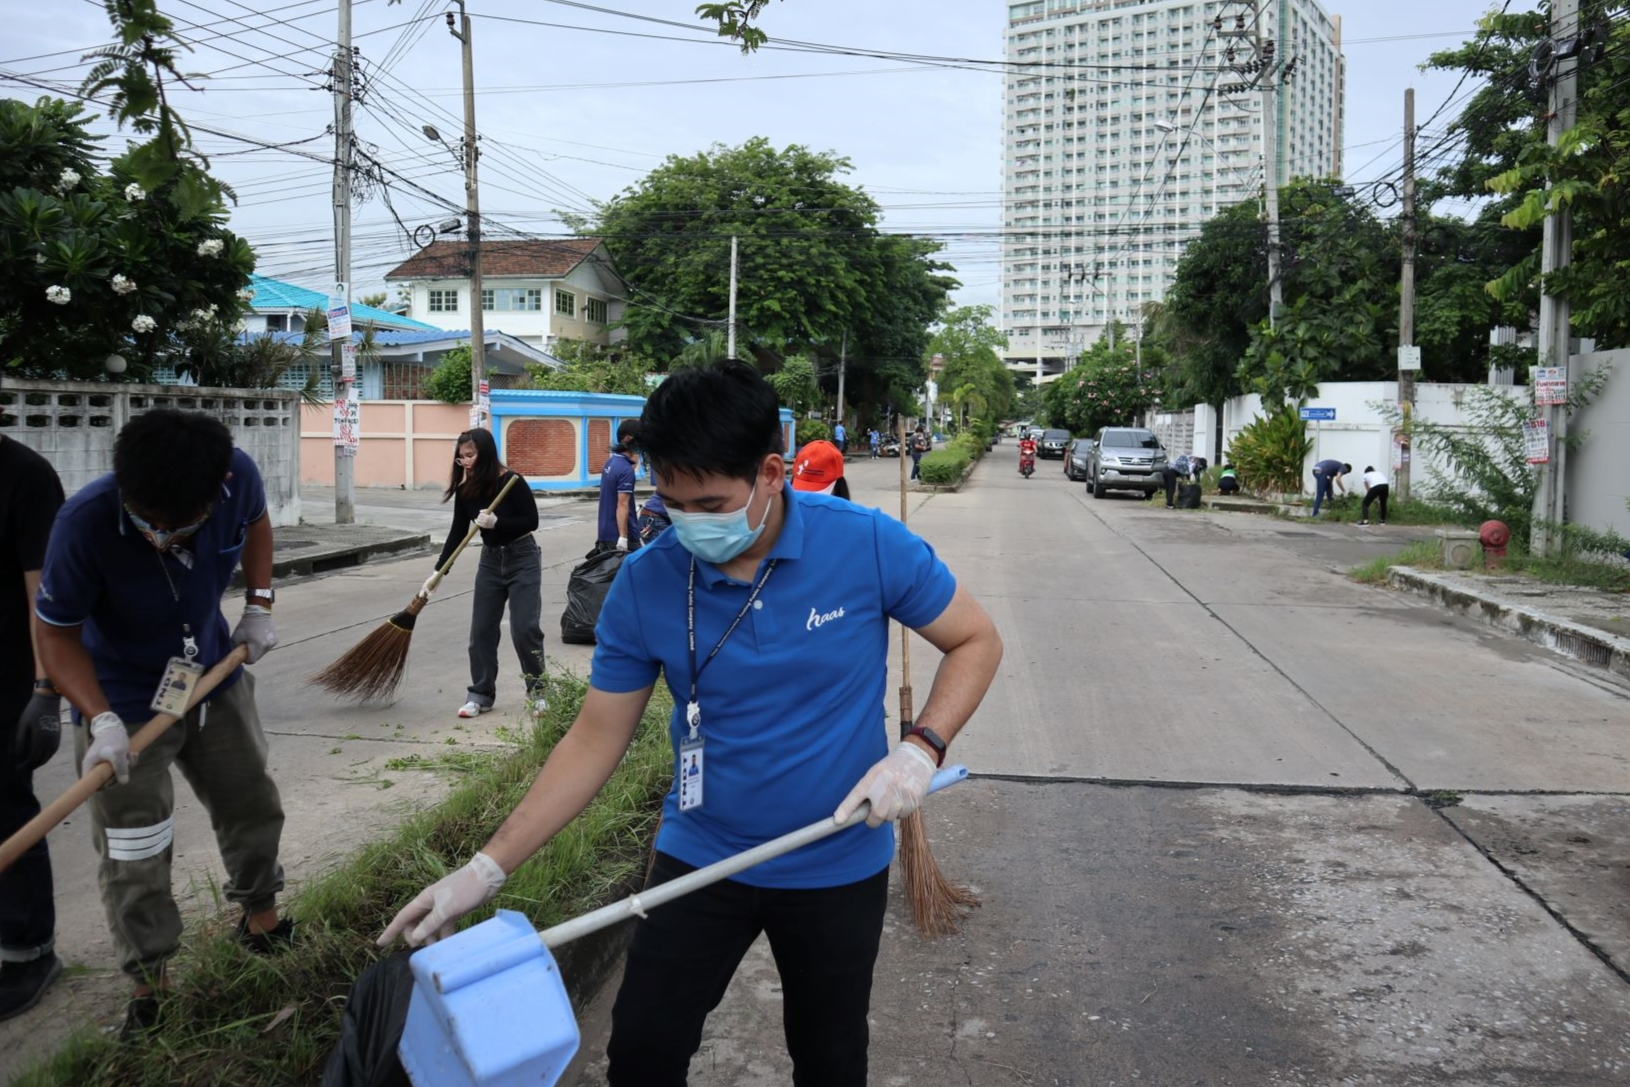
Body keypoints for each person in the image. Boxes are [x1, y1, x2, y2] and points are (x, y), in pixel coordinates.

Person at [378, 361, 1004, 1086]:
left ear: (772, 473)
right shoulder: (647, 581)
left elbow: (976, 639)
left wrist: (920, 750)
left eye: (710, 502)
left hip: (835, 856)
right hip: (702, 854)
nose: (691, 525)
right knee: (642, 1053)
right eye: (673, 503)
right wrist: (486, 869)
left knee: (831, 1059)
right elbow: (593, 738)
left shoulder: (863, 542)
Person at [35, 410, 289, 1037]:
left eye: (178, 527)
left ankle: (261, 917)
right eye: (149, 522)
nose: (160, 535)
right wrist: (101, 721)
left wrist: (258, 606)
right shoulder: (83, 525)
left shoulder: (237, 479)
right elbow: (56, 635)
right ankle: (152, 983)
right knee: (134, 845)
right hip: (122, 697)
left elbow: (256, 527)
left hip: (211, 677)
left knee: (250, 800)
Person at [0, 435, 66, 1022]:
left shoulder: (24, 474)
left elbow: (42, 594)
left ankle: (29, 951)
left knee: (7, 811)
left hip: (7, 683)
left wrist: (46, 692)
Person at [424, 428, 544, 720]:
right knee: (481, 632)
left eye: (470, 455)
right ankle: (480, 694)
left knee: (524, 628)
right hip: (490, 563)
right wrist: (439, 572)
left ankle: (539, 691)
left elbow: (532, 521)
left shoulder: (512, 481)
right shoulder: (466, 491)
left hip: (522, 557)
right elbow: (456, 534)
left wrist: (497, 522)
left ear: (485, 453)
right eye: (461, 457)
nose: (465, 461)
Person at [597, 420, 640, 554]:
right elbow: (622, 505)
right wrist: (623, 537)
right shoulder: (625, 470)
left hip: (605, 533)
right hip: (620, 535)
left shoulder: (611, 462)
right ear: (629, 439)